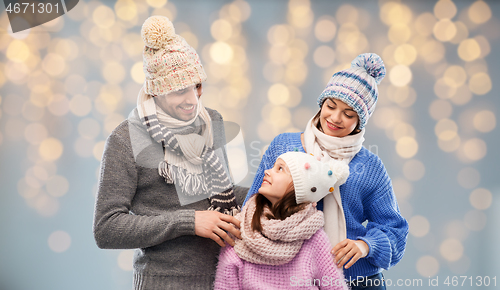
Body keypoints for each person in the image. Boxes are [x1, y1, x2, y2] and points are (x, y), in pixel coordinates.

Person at [93, 16, 248, 290]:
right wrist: (188, 222)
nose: (192, 100)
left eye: (197, 85)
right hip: (162, 283)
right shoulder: (125, 139)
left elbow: (220, 193)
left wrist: (274, 188)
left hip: (225, 278)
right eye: (179, 91)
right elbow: (107, 229)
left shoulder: (211, 121)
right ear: (156, 92)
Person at [244, 53, 409, 289]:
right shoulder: (284, 145)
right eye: (331, 106)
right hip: (291, 277)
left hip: (357, 280)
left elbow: (395, 230)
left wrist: (365, 245)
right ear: (322, 103)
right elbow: (253, 205)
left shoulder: (370, 167)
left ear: (361, 122)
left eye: (349, 114)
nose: (335, 117)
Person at [214, 152, 350, 290]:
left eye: (280, 169)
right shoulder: (241, 228)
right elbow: (225, 285)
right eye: (273, 167)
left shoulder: (314, 239)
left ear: (299, 186)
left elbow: (335, 286)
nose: (267, 171)